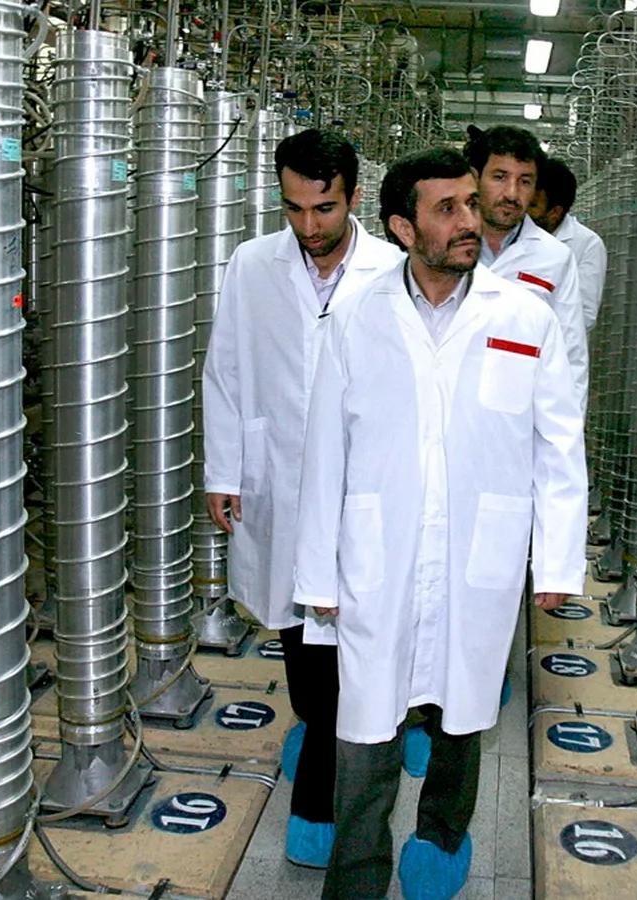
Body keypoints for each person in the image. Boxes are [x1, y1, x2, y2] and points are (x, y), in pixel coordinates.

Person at [292, 148, 587, 900]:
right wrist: (316, 575)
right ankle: (356, 875)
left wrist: (556, 561)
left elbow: (558, 443)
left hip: (478, 548)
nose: (471, 220)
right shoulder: (356, 317)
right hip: (378, 548)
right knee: (365, 724)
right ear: (401, 227)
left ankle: (442, 835)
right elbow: (326, 448)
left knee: (464, 706)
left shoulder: (523, 315)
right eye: (448, 209)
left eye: (470, 202)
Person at [201, 128, 402, 869]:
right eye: (294, 210)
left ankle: (319, 802)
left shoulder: (391, 267)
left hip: (361, 491)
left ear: (353, 196)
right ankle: (324, 732)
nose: (308, 227)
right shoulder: (253, 264)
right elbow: (224, 369)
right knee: (298, 635)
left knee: (345, 655)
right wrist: (224, 469)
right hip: (279, 481)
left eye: (323, 209)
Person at [462, 125, 588, 409]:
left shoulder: (554, 258)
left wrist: (564, 442)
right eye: (499, 177)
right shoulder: (446, 244)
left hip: (518, 415)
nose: (512, 193)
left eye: (525, 181)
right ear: (475, 177)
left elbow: (571, 357)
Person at [529, 156, 607, 334]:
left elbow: (584, 316)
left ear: (555, 212)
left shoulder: (587, 244)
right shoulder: (512, 235)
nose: (524, 211)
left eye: (533, 205)